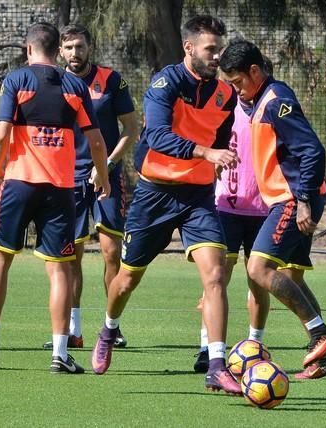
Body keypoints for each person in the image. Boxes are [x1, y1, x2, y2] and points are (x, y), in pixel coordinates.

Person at [90, 15, 243, 395]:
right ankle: (108, 330)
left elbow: (222, 135)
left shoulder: (225, 93)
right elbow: (156, 136)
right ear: (189, 47)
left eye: (220, 49)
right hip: (154, 194)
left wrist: (218, 160)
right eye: (211, 49)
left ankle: (216, 365)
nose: (218, 56)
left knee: (215, 275)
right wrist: (207, 152)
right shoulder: (165, 83)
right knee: (126, 280)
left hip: (198, 198)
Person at [0, 22, 111, 374]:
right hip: (60, 189)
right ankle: (60, 354)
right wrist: (103, 176)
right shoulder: (77, 85)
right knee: (59, 269)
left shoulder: (16, 80)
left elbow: (2, 133)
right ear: (57, 50)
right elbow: (96, 141)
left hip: (18, 184)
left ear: (28, 49)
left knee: (0, 260)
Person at [219, 39, 326, 380]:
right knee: (288, 276)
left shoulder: (276, 101)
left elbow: (313, 150)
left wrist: (302, 201)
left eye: (238, 82)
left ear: (255, 71)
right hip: (289, 198)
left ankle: (321, 334)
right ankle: (325, 359)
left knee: (258, 269)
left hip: (291, 198)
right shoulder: (260, 100)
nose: (236, 90)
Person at [42, 24, 140, 351]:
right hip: (67, 178)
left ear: (90, 47)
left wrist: (107, 166)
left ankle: (112, 327)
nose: (74, 53)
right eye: (68, 48)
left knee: (112, 253)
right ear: (59, 52)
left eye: (80, 47)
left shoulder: (112, 80)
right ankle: (73, 329)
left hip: (107, 177)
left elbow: (131, 127)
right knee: (71, 256)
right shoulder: (54, 82)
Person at [192, 61, 270, 373]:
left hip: (263, 209)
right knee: (216, 277)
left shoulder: (271, 108)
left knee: (258, 279)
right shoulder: (225, 108)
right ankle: (205, 346)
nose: (240, 88)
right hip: (225, 206)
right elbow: (206, 147)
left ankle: (255, 344)